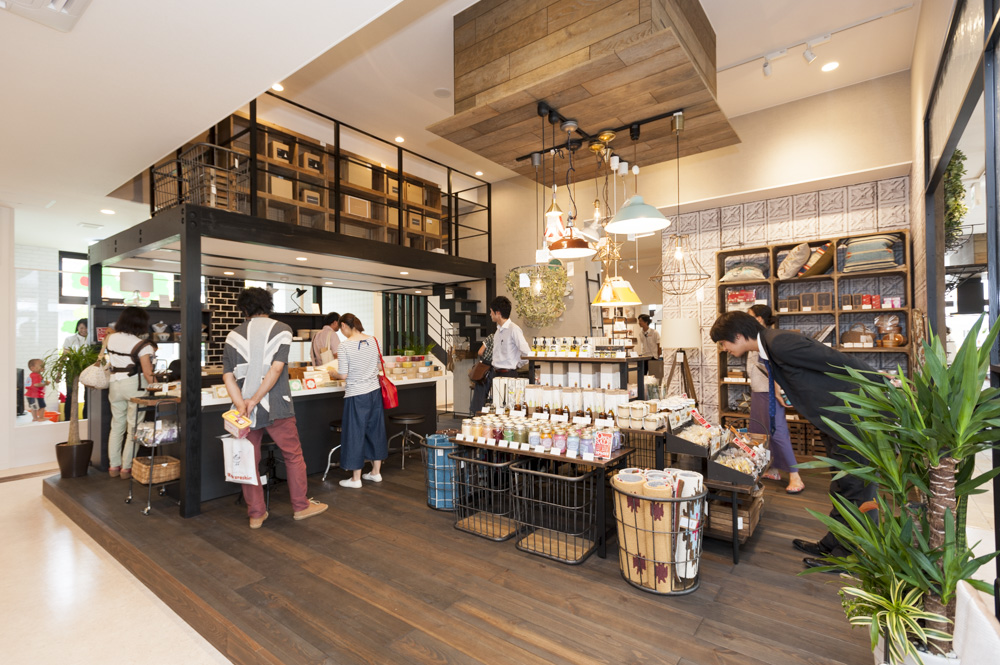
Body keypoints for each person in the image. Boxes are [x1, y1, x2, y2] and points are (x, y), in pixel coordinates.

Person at [710, 311, 878, 571]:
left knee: (855, 487)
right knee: (841, 485)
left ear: (739, 336)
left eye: (723, 342)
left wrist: (881, 383)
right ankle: (833, 544)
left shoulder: (780, 342)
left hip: (849, 418)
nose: (724, 349)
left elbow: (837, 360)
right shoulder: (770, 347)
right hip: (833, 420)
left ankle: (849, 556)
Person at [223, 288, 328, 529]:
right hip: (277, 405)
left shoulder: (232, 336)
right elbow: (277, 368)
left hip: (243, 412)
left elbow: (227, 376)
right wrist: (256, 399)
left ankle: (256, 514)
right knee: (293, 455)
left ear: (244, 309)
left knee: (248, 460)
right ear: (268, 306)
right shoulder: (282, 329)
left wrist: (242, 404)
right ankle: (301, 507)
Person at [746, 304, 804, 494]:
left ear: (759, 319)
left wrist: (778, 393)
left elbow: (775, 368)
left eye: (750, 316)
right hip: (759, 391)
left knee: (777, 431)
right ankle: (772, 469)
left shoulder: (766, 339)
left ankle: (795, 475)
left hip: (769, 392)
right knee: (759, 431)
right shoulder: (756, 338)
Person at [330, 313, 388, 488]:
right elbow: (380, 366)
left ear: (344, 326)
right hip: (374, 392)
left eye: (341, 328)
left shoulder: (344, 346)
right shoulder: (374, 340)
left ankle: (356, 479)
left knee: (355, 433)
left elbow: (343, 375)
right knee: (376, 430)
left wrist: (332, 373)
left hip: (356, 394)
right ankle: (376, 472)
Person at [105, 307, 157, 479]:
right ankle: (126, 468)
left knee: (116, 426)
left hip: (114, 384)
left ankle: (113, 466)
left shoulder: (111, 338)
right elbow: (148, 373)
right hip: (135, 386)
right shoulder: (143, 345)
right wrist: (160, 388)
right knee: (134, 427)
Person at [488, 296, 530, 378]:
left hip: (508, 374)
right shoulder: (497, 331)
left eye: (491, 311)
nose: (490, 314)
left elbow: (527, 352)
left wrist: (517, 364)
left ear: (498, 313)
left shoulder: (514, 329)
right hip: (495, 373)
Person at [63, 318, 90, 420]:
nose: (84, 330)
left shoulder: (92, 339)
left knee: (88, 395)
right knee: (70, 394)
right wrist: (59, 372)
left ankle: (87, 418)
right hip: (72, 367)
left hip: (87, 367)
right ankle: (68, 419)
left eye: (86, 328)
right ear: (77, 328)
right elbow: (64, 355)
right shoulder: (70, 339)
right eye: (81, 327)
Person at [469, 333, 494, 414]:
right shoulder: (502, 338)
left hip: (484, 367)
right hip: (494, 368)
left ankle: (477, 412)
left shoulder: (491, 337)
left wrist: (486, 356)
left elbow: (480, 352)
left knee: (479, 392)